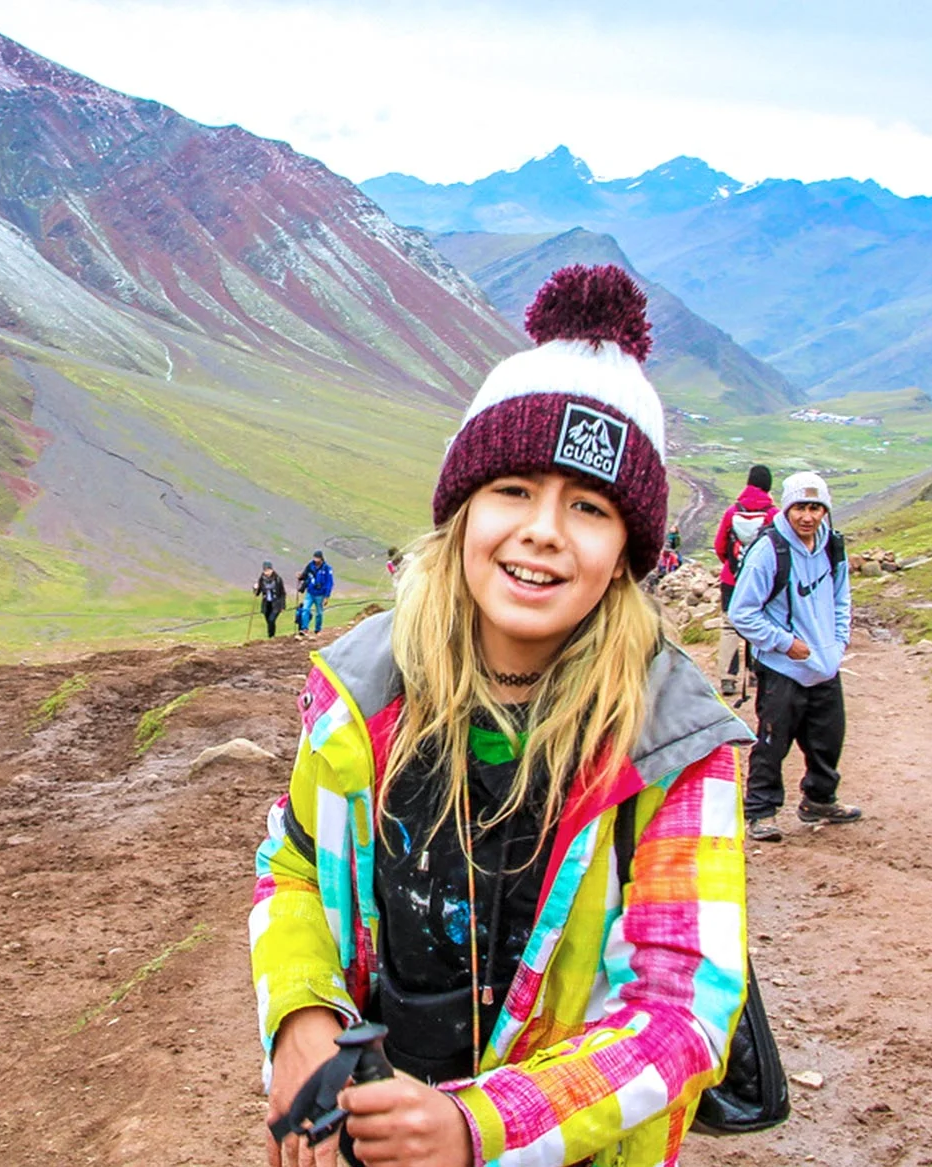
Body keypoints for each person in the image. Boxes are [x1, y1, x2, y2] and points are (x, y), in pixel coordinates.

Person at [250, 265, 752, 1167]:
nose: (543, 530)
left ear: (626, 553)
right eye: (514, 488)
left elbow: (683, 1012)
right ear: (464, 508)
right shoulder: (363, 693)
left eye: (588, 506)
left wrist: (481, 1127)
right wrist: (300, 1012)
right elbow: (293, 863)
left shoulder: (671, 740)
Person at [726, 471, 857, 842]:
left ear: (825, 510)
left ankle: (819, 799)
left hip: (824, 665)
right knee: (773, 741)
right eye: (800, 507)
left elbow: (841, 598)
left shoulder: (832, 546)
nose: (808, 516)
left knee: (828, 738)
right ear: (786, 508)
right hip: (782, 667)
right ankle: (761, 811)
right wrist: (785, 643)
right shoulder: (769, 551)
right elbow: (741, 612)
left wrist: (838, 642)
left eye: (816, 508)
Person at [712, 466, 776, 697]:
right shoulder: (773, 515)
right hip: (760, 581)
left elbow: (720, 545)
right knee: (759, 622)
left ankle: (727, 678)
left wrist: (732, 566)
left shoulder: (732, 512)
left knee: (729, 626)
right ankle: (755, 673)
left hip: (731, 579)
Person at [296, 550, 334, 636]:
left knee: (319, 612)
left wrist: (326, 596)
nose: (315, 560)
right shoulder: (310, 565)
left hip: (320, 594)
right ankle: (304, 628)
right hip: (310, 592)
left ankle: (318, 629)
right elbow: (305, 575)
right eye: (314, 558)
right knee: (305, 609)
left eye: (317, 558)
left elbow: (329, 583)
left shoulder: (327, 568)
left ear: (321, 558)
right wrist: (300, 577)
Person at [254, 561, 288, 638]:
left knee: (271, 620)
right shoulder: (261, 579)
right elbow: (257, 593)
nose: (267, 572)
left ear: (272, 570)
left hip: (276, 603)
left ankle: (271, 636)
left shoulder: (278, 579)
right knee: (268, 621)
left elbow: (282, 593)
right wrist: (255, 588)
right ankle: (271, 636)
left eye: (268, 570)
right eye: (265, 570)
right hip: (266, 603)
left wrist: (283, 606)